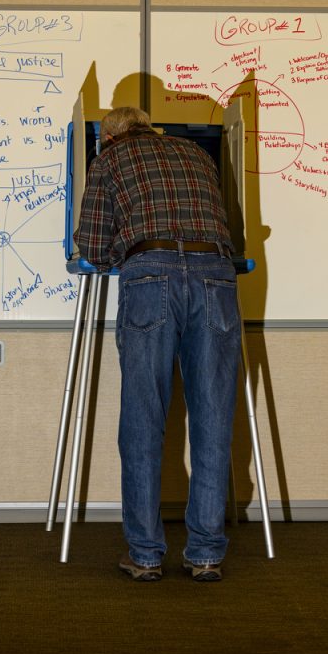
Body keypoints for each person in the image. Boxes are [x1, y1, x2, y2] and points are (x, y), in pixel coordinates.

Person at [74, 106, 241, 583]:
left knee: (143, 420)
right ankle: (206, 553)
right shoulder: (195, 152)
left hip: (150, 276)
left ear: (109, 136)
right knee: (212, 416)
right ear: (149, 125)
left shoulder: (109, 159)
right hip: (217, 278)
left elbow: (93, 244)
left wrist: (113, 249)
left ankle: (145, 555)